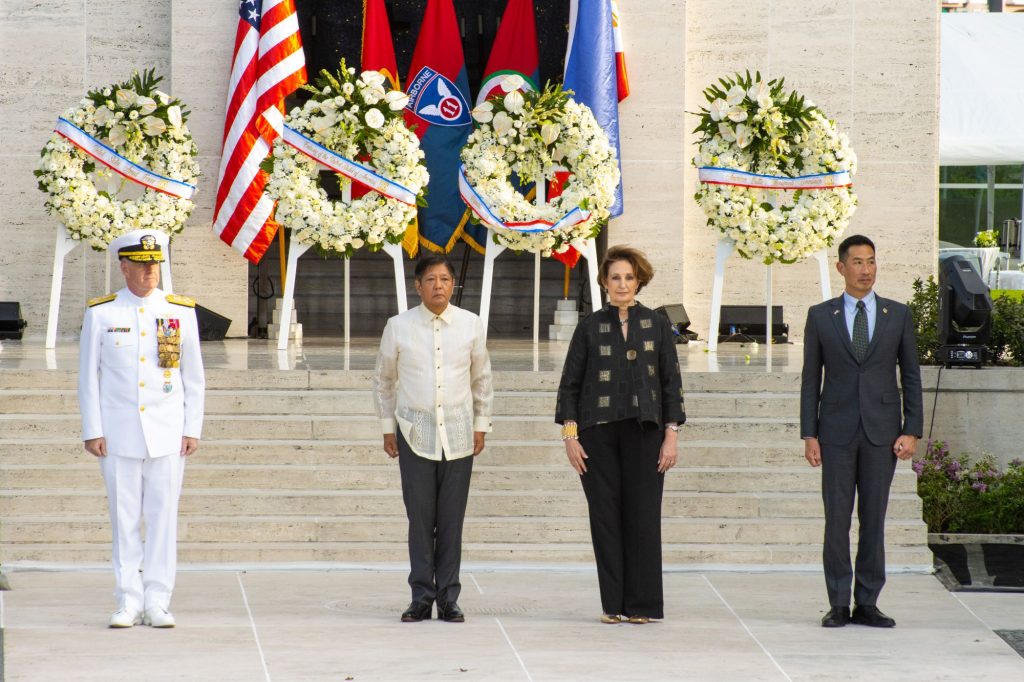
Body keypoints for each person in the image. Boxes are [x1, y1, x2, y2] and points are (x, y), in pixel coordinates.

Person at [78, 230, 205, 629]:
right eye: (142, 264)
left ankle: (158, 599)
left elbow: (193, 376)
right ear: (124, 266)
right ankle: (127, 600)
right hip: (118, 433)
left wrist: (192, 427)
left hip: (167, 432)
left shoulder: (180, 311)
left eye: (155, 264)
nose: (151, 271)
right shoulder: (102, 313)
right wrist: (92, 429)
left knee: (163, 518)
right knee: (124, 518)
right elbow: (88, 378)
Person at [555, 245, 685, 624]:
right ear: (605, 282)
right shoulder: (589, 326)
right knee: (605, 518)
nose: (623, 284)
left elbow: (670, 382)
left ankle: (642, 605)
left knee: (644, 518)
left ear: (639, 280)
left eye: (629, 277)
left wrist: (671, 434)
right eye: (616, 277)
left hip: (646, 434)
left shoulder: (656, 324)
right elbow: (570, 386)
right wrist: (570, 436)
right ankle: (613, 605)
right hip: (597, 435)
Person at [800, 234, 923, 629]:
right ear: (841, 268)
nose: (865, 270)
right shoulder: (821, 316)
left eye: (871, 261)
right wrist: (810, 433)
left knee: (874, 519)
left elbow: (912, 376)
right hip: (834, 433)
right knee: (837, 519)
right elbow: (809, 379)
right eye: (857, 262)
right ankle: (838, 603)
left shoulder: (897, 315)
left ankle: (867, 602)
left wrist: (911, 429)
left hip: (882, 433)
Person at [372, 254, 493, 623]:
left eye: (444, 279)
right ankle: (421, 596)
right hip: (414, 433)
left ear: (453, 284)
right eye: (430, 279)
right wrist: (387, 428)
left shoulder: (471, 325)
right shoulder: (398, 325)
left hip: (457, 434)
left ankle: (449, 598)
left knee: (452, 520)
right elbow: (383, 381)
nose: (438, 286)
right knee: (421, 519)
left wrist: (481, 424)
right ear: (418, 285)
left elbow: (482, 379)